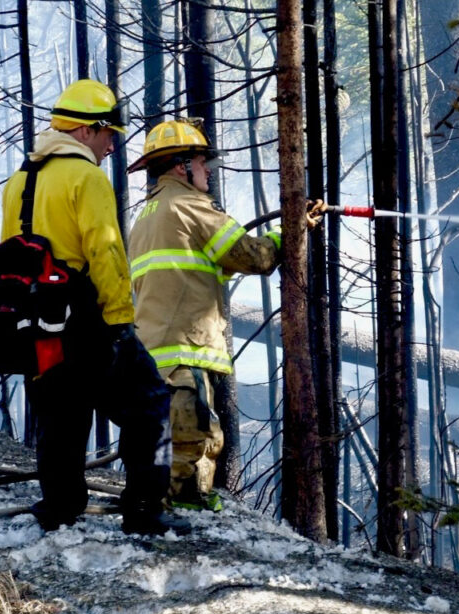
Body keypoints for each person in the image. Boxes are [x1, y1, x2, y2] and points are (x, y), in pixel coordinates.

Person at [0, 79, 179, 535]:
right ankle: (143, 510)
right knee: (150, 404)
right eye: (109, 135)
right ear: (85, 131)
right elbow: (105, 253)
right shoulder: (86, 178)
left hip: (36, 323)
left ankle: (59, 507)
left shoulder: (19, 179)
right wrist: (120, 321)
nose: (113, 146)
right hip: (88, 320)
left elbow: (9, 251)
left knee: (61, 410)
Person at [126, 119, 325, 510]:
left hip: (154, 348)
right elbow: (253, 256)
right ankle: (183, 517)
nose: (208, 174)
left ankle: (175, 506)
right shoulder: (190, 207)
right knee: (194, 438)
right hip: (184, 346)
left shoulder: (149, 214)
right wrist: (291, 233)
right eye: (204, 164)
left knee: (170, 438)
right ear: (182, 166)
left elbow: (202, 264)